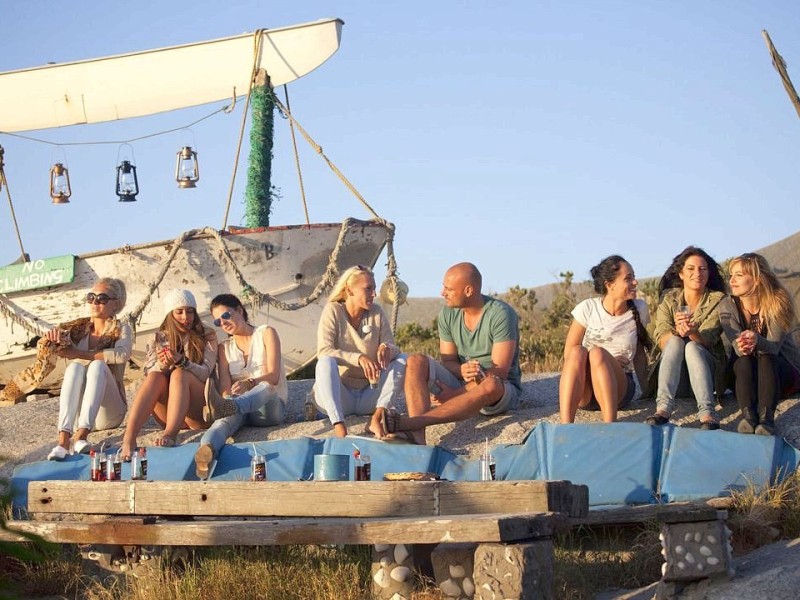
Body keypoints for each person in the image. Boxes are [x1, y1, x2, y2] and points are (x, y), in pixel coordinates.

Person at [375, 262, 521, 445]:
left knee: (491, 384)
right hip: (460, 383)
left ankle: (414, 423)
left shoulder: (501, 314)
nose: (442, 293)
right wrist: (461, 371)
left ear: (468, 291)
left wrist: (454, 394)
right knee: (416, 360)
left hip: (497, 390)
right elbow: (449, 361)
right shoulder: (448, 313)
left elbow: (499, 373)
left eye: (448, 289)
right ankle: (418, 437)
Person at [194, 294, 288, 479]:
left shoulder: (266, 333)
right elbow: (225, 387)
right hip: (242, 409)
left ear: (239, 310)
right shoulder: (224, 348)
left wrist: (249, 383)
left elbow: (274, 376)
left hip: (268, 407)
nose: (223, 323)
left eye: (226, 316)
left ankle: (230, 407)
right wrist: (228, 396)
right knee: (222, 421)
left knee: (266, 386)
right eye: (218, 321)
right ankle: (205, 452)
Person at [39, 278, 133, 460]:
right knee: (74, 368)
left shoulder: (122, 328)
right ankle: (64, 440)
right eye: (91, 297)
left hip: (108, 414)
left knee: (98, 365)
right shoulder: (76, 330)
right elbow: (54, 352)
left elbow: (121, 354)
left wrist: (78, 353)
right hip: (79, 414)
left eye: (102, 298)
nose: (95, 302)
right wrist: (51, 340)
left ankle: (82, 436)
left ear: (116, 305)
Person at [311, 264, 406, 438]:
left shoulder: (377, 312)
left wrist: (387, 349)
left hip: (369, 393)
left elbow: (392, 347)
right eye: (368, 289)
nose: (374, 294)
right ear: (350, 290)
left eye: (374, 288)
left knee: (402, 359)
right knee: (325, 362)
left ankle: (376, 418)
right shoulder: (333, 310)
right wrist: (359, 358)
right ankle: (339, 425)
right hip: (341, 395)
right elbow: (324, 351)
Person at [120, 289, 217, 457]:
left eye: (190, 312)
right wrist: (163, 364)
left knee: (180, 373)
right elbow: (148, 373)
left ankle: (170, 434)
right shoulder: (157, 338)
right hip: (167, 412)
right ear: (170, 314)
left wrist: (183, 362)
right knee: (155, 376)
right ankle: (129, 438)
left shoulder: (207, 335)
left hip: (198, 412)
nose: (185, 317)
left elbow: (206, 372)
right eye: (179, 312)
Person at [559, 255, 652, 423]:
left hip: (619, 387)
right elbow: (569, 356)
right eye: (628, 278)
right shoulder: (587, 308)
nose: (635, 282)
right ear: (610, 285)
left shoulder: (639, 308)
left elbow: (639, 352)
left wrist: (648, 391)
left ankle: (609, 424)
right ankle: (565, 426)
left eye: (634, 277)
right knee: (578, 351)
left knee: (597, 353)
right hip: (586, 390)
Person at [645, 246, 727, 430]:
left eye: (702, 269)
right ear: (681, 274)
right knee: (674, 341)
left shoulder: (718, 300)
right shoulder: (669, 299)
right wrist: (677, 332)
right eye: (691, 269)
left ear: (708, 273)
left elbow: (710, 339)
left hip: (708, 373)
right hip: (677, 379)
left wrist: (692, 333)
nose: (697, 273)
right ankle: (663, 409)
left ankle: (707, 412)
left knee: (692, 346)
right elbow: (660, 338)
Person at [719, 253, 800, 435]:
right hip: (746, 375)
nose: (732, 280)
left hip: (780, 373)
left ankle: (767, 420)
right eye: (731, 275)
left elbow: (772, 348)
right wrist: (743, 345)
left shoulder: (778, 302)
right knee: (744, 360)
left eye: (739, 275)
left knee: (765, 355)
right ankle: (749, 417)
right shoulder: (727, 305)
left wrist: (757, 340)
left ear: (756, 279)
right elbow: (738, 350)